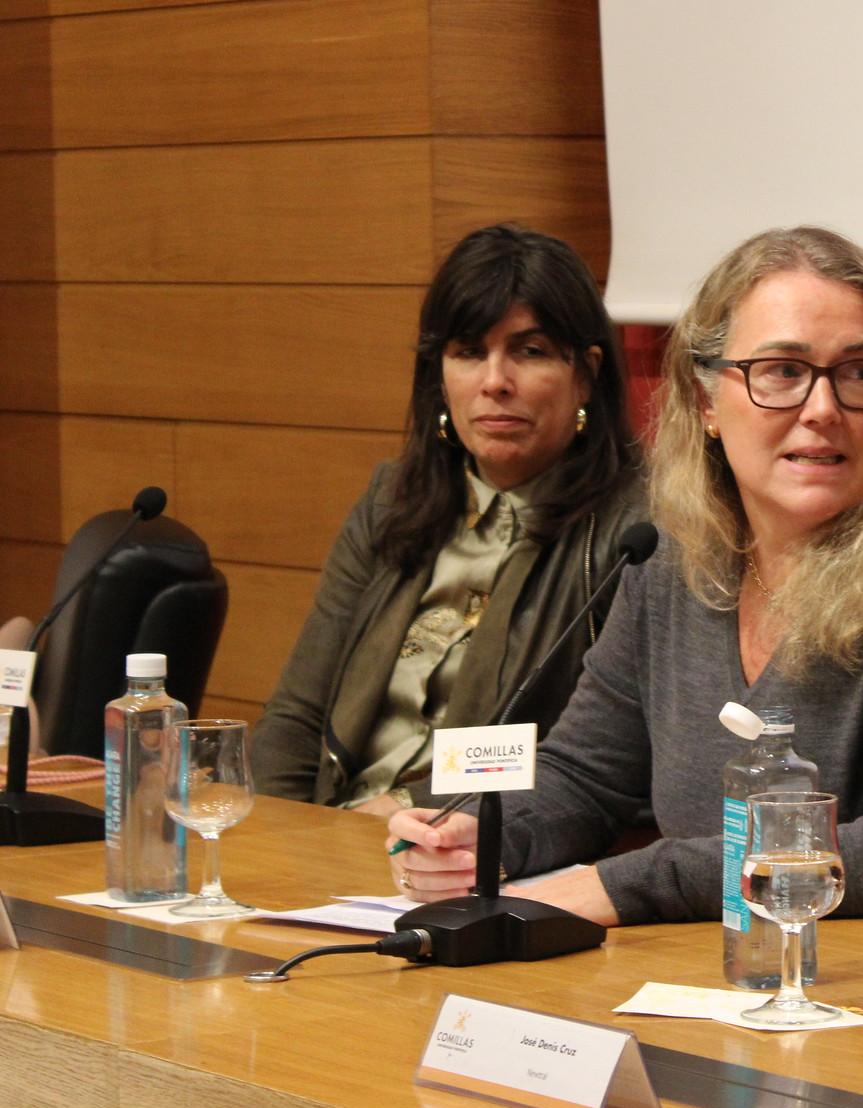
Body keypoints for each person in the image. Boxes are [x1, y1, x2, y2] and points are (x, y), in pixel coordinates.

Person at [385, 225, 863, 925]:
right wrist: (488, 839)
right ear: (706, 402)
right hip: (726, 974)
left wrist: (625, 885)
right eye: (782, 372)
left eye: (859, 372)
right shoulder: (676, 553)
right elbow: (583, 776)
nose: (822, 409)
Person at [251, 224, 644, 817]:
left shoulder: (636, 528)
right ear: (439, 374)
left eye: (529, 352)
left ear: (585, 373)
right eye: (468, 352)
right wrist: (280, 835)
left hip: (484, 846)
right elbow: (298, 715)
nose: (494, 382)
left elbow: (584, 757)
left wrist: (415, 809)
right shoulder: (394, 498)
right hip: (334, 834)